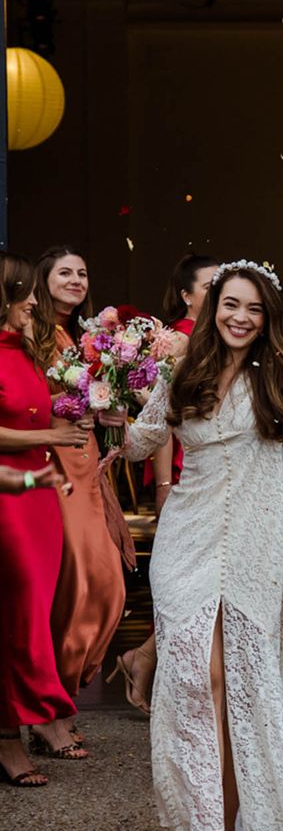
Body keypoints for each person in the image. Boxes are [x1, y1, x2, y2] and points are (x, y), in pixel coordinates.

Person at [111, 158, 283, 831]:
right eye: (228, 304)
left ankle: (233, 822)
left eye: (251, 307)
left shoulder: (282, 366)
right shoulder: (184, 374)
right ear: (210, 310)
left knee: (238, 680)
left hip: (253, 543)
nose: (239, 316)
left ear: (266, 316)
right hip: (187, 539)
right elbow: (143, 438)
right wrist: (110, 402)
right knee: (196, 676)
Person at [112, 254, 220, 715]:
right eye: (210, 285)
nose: (218, 293)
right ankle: (159, 665)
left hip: (217, 472)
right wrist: (161, 483)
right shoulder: (177, 339)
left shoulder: (219, 336)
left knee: (212, 580)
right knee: (194, 581)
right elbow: (163, 420)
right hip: (180, 468)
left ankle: (147, 657)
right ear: (186, 294)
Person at [32, 245, 128, 748]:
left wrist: (108, 410)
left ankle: (59, 696)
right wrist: (66, 403)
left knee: (106, 583)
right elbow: (26, 399)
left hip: (86, 462)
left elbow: (91, 399)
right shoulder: (31, 332)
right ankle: (46, 711)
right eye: (64, 272)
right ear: (41, 279)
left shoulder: (84, 336)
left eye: (82, 272)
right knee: (76, 583)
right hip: (51, 466)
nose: (76, 279)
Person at [0, 254, 91, 786]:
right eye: (23, 293)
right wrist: (47, 438)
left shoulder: (30, 352)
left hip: (39, 498)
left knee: (32, 611)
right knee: (18, 616)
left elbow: (46, 409)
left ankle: (32, 716)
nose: (34, 302)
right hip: (8, 497)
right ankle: (11, 736)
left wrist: (99, 407)